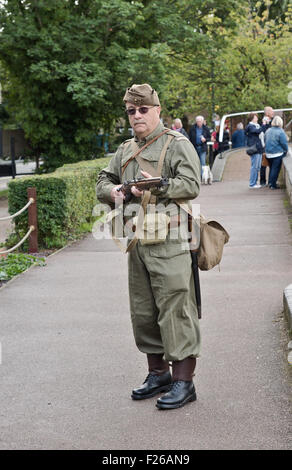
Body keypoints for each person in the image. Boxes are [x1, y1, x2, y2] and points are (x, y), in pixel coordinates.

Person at [96, 84, 201, 410]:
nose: (137, 115)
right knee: (144, 311)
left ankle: (184, 382)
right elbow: (103, 179)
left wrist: (156, 185)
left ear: (157, 110)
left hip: (170, 242)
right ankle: (158, 374)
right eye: (132, 111)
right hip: (138, 242)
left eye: (143, 109)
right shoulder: (125, 149)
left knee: (176, 309)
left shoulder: (177, 144)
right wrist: (115, 191)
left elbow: (191, 184)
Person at [264, 116, 288, 189]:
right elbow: (284, 143)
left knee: (271, 168)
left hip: (268, 153)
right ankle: (273, 185)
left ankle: (270, 183)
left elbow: (265, 140)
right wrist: (286, 150)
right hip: (277, 153)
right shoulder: (281, 131)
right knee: (275, 169)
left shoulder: (268, 130)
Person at [245, 113, 265, 189]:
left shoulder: (257, 125)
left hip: (259, 148)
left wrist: (264, 125)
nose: (257, 118)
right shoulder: (250, 126)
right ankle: (252, 183)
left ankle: (255, 182)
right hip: (255, 149)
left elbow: (262, 130)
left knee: (258, 167)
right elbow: (257, 131)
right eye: (256, 117)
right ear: (252, 118)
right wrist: (263, 124)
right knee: (254, 167)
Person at [260, 106, 274, 186]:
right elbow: (263, 132)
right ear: (267, 113)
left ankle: (268, 181)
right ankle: (263, 181)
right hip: (265, 146)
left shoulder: (269, 120)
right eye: (271, 111)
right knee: (264, 164)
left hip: (268, 145)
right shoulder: (265, 122)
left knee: (267, 164)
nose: (273, 113)